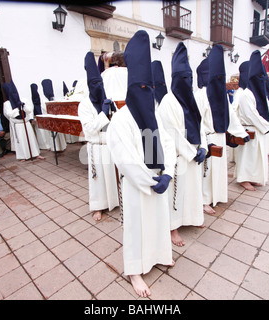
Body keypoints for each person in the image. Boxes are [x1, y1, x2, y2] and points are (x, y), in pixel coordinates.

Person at [106, 30, 176, 298]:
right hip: (139, 185)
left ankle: (158, 254)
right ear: (132, 88)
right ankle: (134, 271)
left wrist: (167, 173)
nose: (146, 93)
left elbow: (166, 142)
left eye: (150, 89)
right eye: (141, 88)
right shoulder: (121, 120)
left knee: (158, 220)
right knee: (136, 226)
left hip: (159, 179)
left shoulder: (154, 111)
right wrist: (150, 181)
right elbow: (125, 159)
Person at [157, 42, 206, 247]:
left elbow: (199, 122)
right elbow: (172, 134)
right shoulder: (168, 101)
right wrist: (190, 152)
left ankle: (191, 218)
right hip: (179, 156)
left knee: (192, 190)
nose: (188, 82)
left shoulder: (192, 98)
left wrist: (203, 145)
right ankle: (173, 228)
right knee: (175, 193)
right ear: (175, 80)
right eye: (183, 79)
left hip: (193, 154)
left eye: (190, 78)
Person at [194, 45, 250, 214]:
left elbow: (231, 115)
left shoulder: (222, 94)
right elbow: (197, 121)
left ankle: (215, 197)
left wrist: (241, 133)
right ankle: (203, 201)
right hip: (207, 138)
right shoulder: (200, 95)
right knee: (207, 172)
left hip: (220, 137)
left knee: (218, 171)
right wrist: (203, 143)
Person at [78, 52, 119, 221]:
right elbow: (89, 129)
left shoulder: (107, 100)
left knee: (112, 176)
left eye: (100, 83)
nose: (98, 86)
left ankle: (115, 201)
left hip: (110, 145)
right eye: (94, 83)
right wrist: (103, 113)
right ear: (89, 85)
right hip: (96, 146)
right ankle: (98, 207)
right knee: (98, 180)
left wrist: (113, 110)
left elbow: (116, 122)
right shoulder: (84, 105)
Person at [233, 51, 269, 191]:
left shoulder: (253, 92)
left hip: (258, 129)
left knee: (256, 157)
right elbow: (251, 115)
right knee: (247, 157)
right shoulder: (244, 94)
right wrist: (265, 126)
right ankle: (244, 178)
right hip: (250, 128)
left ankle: (253, 177)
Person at [2, 80, 44, 161]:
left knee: (31, 139)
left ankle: (36, 154)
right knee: (21, 141)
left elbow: (29, 110)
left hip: (26, 122)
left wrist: (23, 106)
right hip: (18, 124)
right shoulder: (7, 103)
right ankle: (23, 156)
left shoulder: (23, 100)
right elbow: (8, 114)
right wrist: (17, 109)